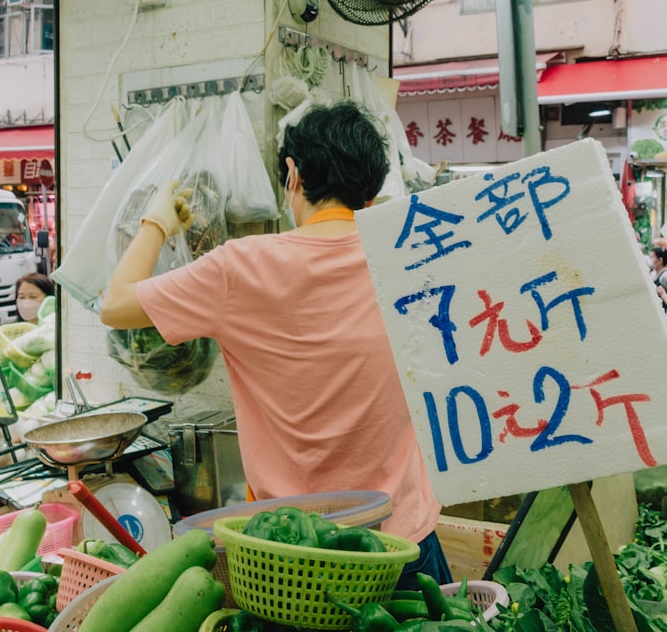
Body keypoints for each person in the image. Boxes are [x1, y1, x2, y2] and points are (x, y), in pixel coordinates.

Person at [101, 100, 450, 589]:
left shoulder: (239, 268)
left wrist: (157, 222)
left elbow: (115, 304)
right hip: (402, 544)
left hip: (292, 556)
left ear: (292, 175)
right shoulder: (411, 256)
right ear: (370, 188)